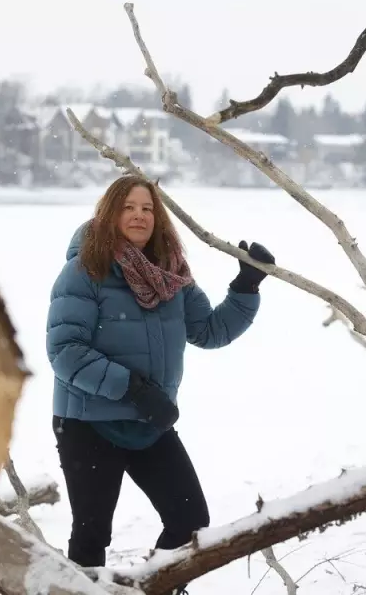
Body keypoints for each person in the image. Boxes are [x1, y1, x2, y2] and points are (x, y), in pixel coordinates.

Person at [46, 175, 275, 593]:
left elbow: (209, 331)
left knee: (190, 524)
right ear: (110, 213)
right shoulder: (84, 271)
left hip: (149, 421)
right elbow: (65, 351)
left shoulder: (169, 275)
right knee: (92, 535)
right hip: (87, 423)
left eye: (147, 208)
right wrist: (133, 389)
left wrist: (246, 284)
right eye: (128, 207)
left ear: (158, 217)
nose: (138, 215)